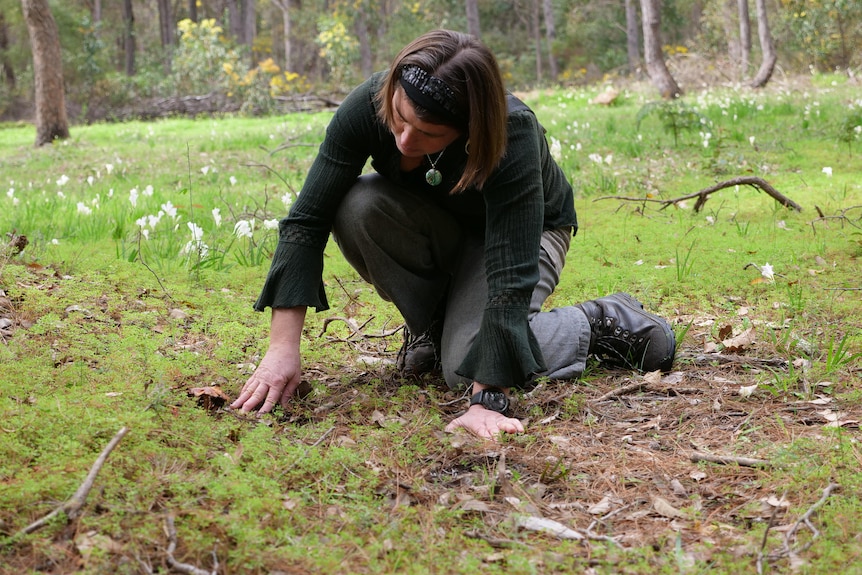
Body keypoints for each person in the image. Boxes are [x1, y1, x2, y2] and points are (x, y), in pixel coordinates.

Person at [230, 29, 675, 439]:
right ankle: (435, 331)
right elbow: (307, 220)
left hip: (525, 236)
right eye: (399, 119)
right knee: (358, 203)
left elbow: (511, 266)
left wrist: (487, 398)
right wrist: (281, 349)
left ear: (469, 129)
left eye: (428, 134)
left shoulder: (511, 132)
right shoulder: (369, 103)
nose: (404, 141)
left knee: (464, 368)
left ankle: (599, 322)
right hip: (442, 225)